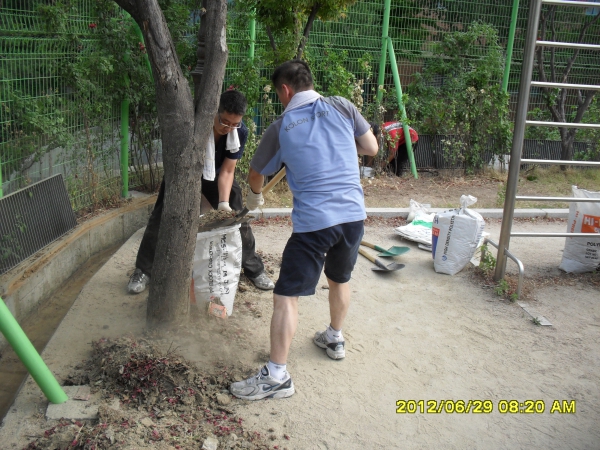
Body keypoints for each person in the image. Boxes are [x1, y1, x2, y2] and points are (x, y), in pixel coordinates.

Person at [229, 60, 378, 400]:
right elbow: (371, 148)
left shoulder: (282, 126)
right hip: (353, 216)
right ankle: (334, 337)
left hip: (314, 224)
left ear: (285, 90)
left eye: (278, 94)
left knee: (286, 295)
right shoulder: (343, 106)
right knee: (339, 278)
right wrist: (337, 146)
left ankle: (276, 376)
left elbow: (256, 174)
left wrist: (254, 197)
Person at [128, 90, 274, 294]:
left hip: (217, 174)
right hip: (183, 174)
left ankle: (253, 269)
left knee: (238, 216)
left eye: (234, 123)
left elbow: (228, 170)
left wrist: (223, 204)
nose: (228, 128)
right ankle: (143, 271)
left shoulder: (240, 131)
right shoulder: (193, 124)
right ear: (215, 112)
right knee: (160, 217)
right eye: (224, 122)